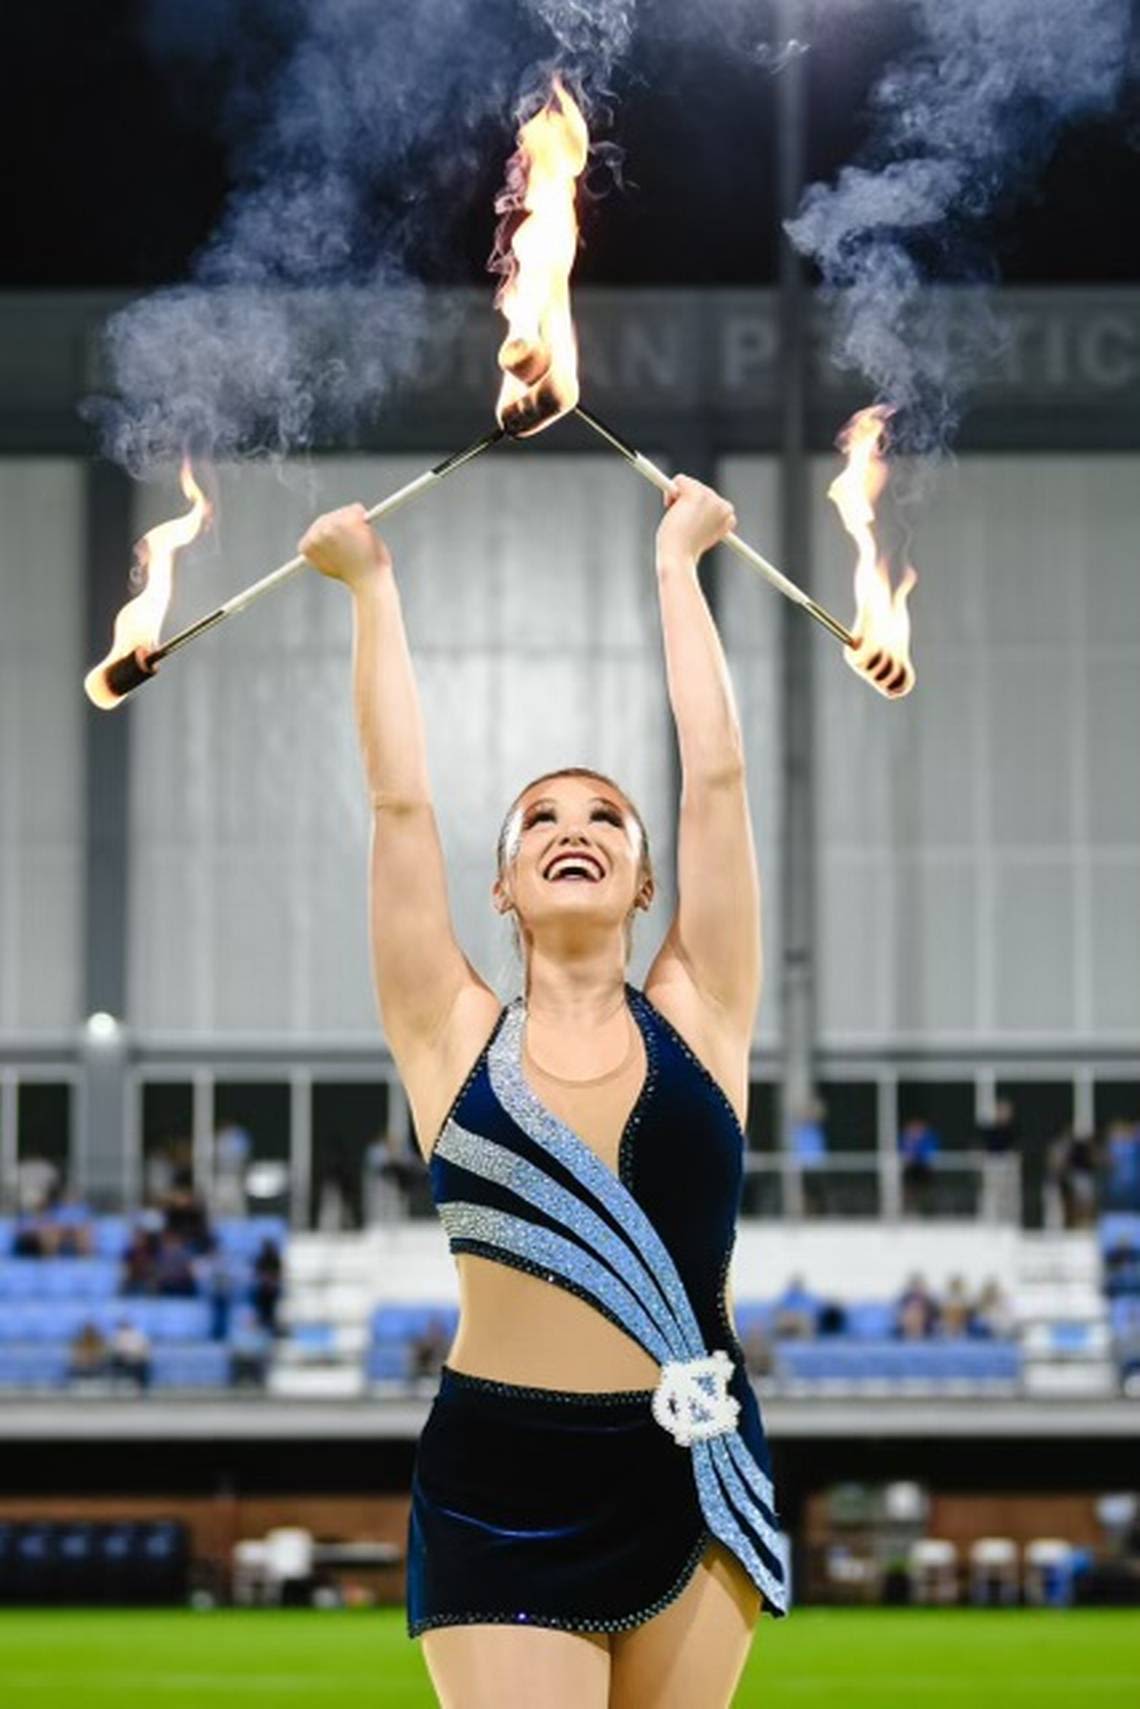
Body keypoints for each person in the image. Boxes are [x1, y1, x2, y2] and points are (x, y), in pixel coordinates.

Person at [300, 476, 787, 1707]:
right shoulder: (446, 1029)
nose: (577, 826)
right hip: (501, 1482)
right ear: (504, 887)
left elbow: (719, 783)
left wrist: (682, 562)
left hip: (694, 1462)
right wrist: (372, 588)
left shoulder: (703, 1013)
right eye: (540, 820)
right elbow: (400, 801)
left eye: (609, 817)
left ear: (644, 885)